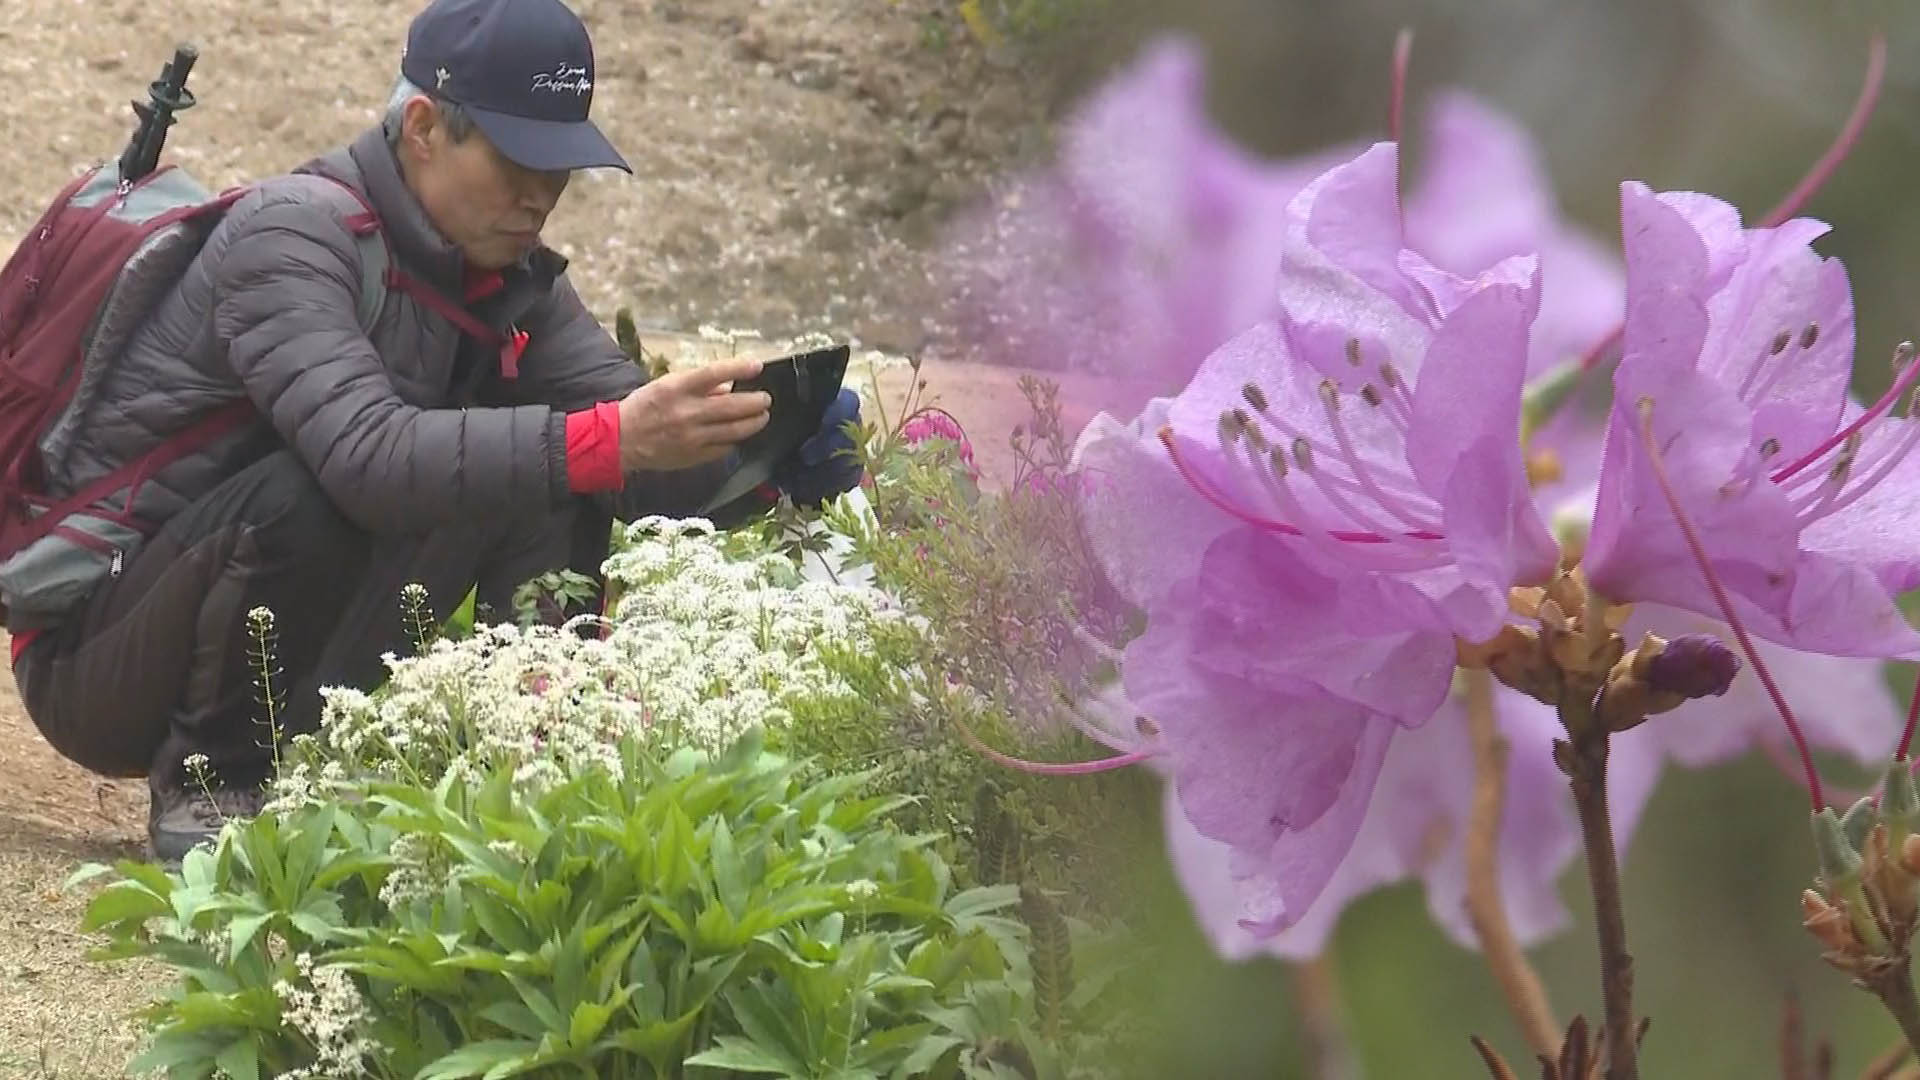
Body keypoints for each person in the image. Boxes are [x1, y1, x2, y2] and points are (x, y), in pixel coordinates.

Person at [4, 0, 865, 864]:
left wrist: (766, 451)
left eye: (559, 166)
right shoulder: (291, 235)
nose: (541, 196)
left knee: (556, 462)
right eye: (518, 159)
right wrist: (611, 438)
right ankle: (208, 782)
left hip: (280, 634)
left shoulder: (516, 283)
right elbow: (368, 462)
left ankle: (532, 764)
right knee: (333, 484)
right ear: (423, 128)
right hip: (100, 658)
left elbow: (637, 465)